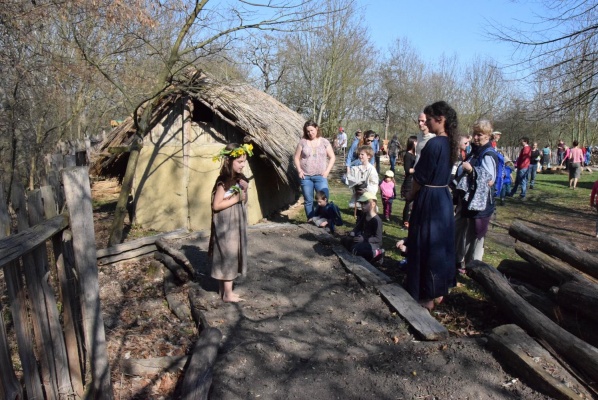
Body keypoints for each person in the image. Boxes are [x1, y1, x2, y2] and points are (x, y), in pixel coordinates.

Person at [405, 101, 457, 311]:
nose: (425, 122)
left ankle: (426, 297)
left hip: (429, 198)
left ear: (440, 119)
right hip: (443, 197)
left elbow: (420, 176)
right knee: (441, 244)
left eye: (429, 118)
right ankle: (439, 291)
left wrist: (411, 194)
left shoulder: (434, 144)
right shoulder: (451, 143)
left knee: (425, 244)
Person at [209, 142, 253, 302]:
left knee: (231, 253)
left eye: (244, 161)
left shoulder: (238, 179)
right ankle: (227, 294)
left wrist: (245, 190)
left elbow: (242, 199)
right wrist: (236, 198)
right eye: (240, 161)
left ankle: (224, 291)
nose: (243, 164)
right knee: (228, 254)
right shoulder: (224, 181)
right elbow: (216, 205)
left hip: (235, 222)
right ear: (229, 161)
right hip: (226, 225)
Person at [454, 120, 497, 273]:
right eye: (475, 134)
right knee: (463, 230)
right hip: (468, 201)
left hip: (480, 203)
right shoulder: (475, 151)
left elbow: (490, 179)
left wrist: (472, 170)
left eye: (480, 135)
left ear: (488, 136)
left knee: (476, 235)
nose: (476, 137)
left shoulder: (488, 154)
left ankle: (475, 268)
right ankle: (461, 261)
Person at [294, 120, 336, 220]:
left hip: (320, 176)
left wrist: (327, 172)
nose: (310, 133)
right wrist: (299, 170)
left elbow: (332, 157)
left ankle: (323, 219)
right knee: (308, 200)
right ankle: (311, 220)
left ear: (316, 129)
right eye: (308, 131)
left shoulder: (324, 142)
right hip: (306, 177)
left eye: (312, 130)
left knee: (323, 199)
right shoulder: (302, 142)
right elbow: (296, 157)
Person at [340, 192, 384, 262]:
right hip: (362, 239)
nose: (362, 205)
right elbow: (358, 227)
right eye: (361, 203)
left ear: (373, 204)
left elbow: (378, 239)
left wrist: (364, 239)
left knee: (356, 250)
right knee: (344, 240)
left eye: (365, 203)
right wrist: (353, 232)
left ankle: (378, 253)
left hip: (373, 244)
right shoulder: (364, 215)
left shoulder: (377, 220)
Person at [400, 135, 417, 229]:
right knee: (408, 202)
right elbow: (407, 170)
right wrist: (418, 169)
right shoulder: (408, 155)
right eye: (416, 142)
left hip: (416, 181)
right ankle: (405, 222)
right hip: (409, 181)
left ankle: (412, 221)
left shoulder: (417, 155)